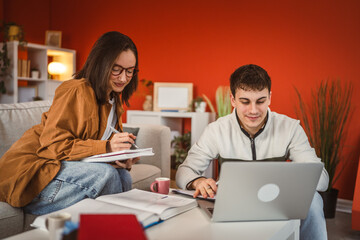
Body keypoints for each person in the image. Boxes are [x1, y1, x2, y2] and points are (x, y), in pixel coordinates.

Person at [176, 64, 329, 240]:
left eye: (260, 101)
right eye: (245, 101)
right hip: (232, 203)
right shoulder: (216, 130)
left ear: (270, 98)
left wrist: (294, 176)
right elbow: (183, 172)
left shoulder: (290, 128)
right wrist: (198, 181)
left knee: (314, 200)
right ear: (233, 100)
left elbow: (322, 179)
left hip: (279, 203)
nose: (253, 110)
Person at [0, 31, 140, 215]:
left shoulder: (114, 99)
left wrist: (121, 157)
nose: (123, 78)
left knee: (123, 175)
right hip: (33, 175)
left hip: (63, 171)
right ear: (102, 64)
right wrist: (106, 147)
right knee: (105, 175)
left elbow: (90, 152)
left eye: (130, 71)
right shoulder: (75, 90)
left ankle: (118, 227)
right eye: (117, 69)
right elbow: (51, 146)